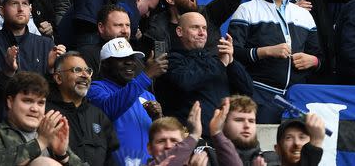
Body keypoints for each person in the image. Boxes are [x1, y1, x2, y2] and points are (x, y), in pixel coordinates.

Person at [229, 0, 322, 123]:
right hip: (258, 94)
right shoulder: (247, 9)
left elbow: (319, 56)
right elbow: (232, 54)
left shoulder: (304, 15)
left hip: (296, 97)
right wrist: (265, 52)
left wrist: (313, 61)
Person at [158, 12, 252, 130]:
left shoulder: (216, 59)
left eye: (204, 28)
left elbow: (247, 90)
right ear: (179, 31)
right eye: (195, 27)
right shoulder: (171, 59)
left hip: (222, 135)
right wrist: (221, 64)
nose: (202, 33)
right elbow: (186, 82)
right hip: (189, 137)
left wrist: (231, 61)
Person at [0, 0, 59, 122]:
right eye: (14, 3)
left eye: (25, 4)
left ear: (31, 9)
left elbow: (53, 94)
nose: (21, 9)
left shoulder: (46, 44)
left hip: (36, 124)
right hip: (0, 124)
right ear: (1, 10)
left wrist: (52, 70)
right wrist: (7, 72)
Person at [0, 72, 84, 166]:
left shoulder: (50, 136)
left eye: (40, 103)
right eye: (27, 101)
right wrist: (40, 142)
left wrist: (62, 155)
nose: (35, 109)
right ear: (10, 102)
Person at [86, 37, 168, 165]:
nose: (129, 62)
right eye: (121, 59)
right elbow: (108, 110)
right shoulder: (95, 89)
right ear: (105, 64)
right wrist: (146, 75)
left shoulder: (146, 94)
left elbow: (161, 139)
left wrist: (158, 119)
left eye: (131, 58)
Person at [46, 52, 118, 166]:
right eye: (77, 70)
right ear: (59, 78)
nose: (85, 75)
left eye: (88, 71)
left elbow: (110, 160)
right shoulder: (47, 113)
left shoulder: (98, 115)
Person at [222, 95, 278, 165]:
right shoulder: (209, 159)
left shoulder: (274, 160)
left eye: (251, 121)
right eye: (239, 120)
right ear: (223, 124)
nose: (247, 126)